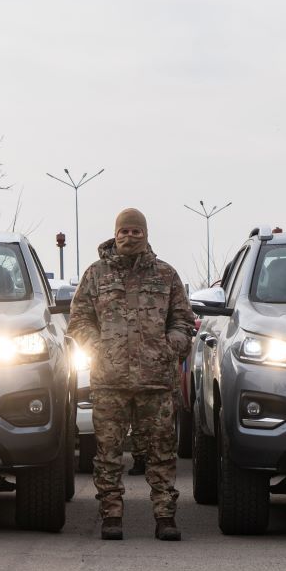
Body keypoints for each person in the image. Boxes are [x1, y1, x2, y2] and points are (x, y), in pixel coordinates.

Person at [68, 208, 195, 541]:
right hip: (109, 380)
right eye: (124, 231)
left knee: (162, 452)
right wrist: (97, 347)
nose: (129, 236)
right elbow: (79, 321)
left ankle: (165, 516)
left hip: (156, 381)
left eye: (135, 231)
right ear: (115, 234)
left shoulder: (166, 275)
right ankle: (111, 516)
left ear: (145, 234)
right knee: (108, 453)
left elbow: (182, 319)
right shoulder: (95, 275)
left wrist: (174, 342)